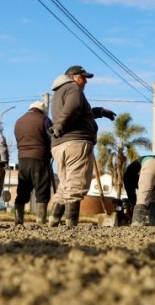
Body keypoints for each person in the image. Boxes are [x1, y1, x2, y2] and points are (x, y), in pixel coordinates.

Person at [48, 65, 115, 227]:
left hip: (60, 144)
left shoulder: (58, 93)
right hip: (76, 143)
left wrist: (98, 112)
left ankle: (54, 219)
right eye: (83, 77)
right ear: (72, 76)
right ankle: (71, 223)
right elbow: (73, 108)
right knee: (77, 183)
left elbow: (76, 112)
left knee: (65, 184)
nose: (85, 81)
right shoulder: (73, 88)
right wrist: (60, 125)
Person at [13, 99, 53, 225]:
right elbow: (52, 136)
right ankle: (41, 220)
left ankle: (18, 220)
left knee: (23, 190)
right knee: (42, 189)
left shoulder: (18, 121)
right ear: (43, 110)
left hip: (22, 159)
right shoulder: (44, 119)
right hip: (39, 158)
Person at [123, 155, 155, 226]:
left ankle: (137, 223)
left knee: (143, 193)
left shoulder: (127, 176)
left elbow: (131, 193)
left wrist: (132, 204)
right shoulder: (134, 169)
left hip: (152, 164)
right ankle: (153, 222)